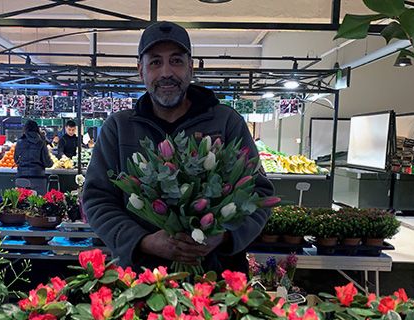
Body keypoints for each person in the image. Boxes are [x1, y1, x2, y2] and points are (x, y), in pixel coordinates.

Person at [83, 21, 274, 273]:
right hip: (140, 278)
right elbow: (97, 199)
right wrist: (144, 241)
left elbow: (258, 193)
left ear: (191, 68)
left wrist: (222, 235)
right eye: (155, 62)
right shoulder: (118, 128)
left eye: (176, 61)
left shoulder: (226, 121)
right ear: (140, 70)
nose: (166, 73)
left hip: (217, 278)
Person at [14, 120, 53, 195]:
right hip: (38, 179)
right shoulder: (41, 142)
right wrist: (51, 163)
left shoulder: (19, 142)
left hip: (21, 178)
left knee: (21, 203)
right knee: (38, 203)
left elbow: (16, 160)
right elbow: (47, 162)